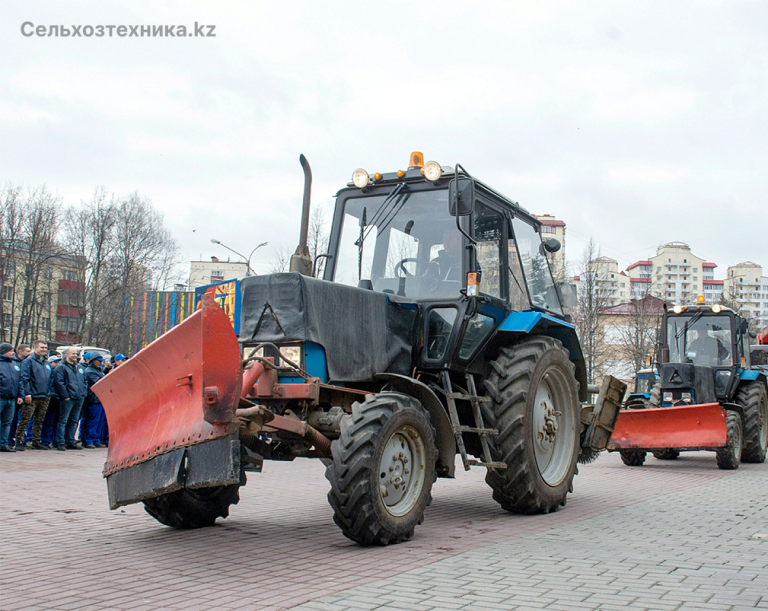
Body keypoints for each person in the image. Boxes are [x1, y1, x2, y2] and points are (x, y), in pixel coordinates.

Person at [17, 340, 52, 450]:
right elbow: (24, 378)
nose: (44, 350)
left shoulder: (46, 363)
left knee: (39, 420)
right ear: (35, 348)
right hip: (32, 395)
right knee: (25, 419)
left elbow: (50, 378)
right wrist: (27, 393)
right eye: (41, 347)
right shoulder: (28, 362)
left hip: (44, 395)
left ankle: (36, 441)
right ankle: (19, 440)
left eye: (45, 348)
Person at [52, 347, 87, 451]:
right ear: (66, 354)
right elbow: (59, 383)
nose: (75, 355)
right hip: (68, 398)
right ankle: (60, 442)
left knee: (74, 420)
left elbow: (84, 381)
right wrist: (65, 396)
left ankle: (70, 440)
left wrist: (83, 393)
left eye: (76, 354)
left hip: (79, 397)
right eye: (72, 353)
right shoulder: (61, 368)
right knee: (63, 420)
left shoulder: (79, 367)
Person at [0, 343, 25, 452]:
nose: (13, 352)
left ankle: (3, 443)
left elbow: (19, 381)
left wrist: (20, 395)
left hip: (11, 398)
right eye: (10, 351)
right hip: (1, 397)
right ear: (4, 351)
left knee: (7, 422)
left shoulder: (14, 364)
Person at [79, 353, 106, 448]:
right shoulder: (90, 371)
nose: (100, 363)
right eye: (99, 361)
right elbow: (100, 383)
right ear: (93, 361)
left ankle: (95, 439)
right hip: (92, 399)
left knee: (98, 421)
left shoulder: (99, 371)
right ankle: (88, 440)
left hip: (98, 399)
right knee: (92, 420)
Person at [40, 356, 61, 448]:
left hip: (58, 399)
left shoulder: (57, 372)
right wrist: (52, 395)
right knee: (47, 421)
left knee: (56, 421)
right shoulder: (49, 372)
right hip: (50, 398)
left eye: (58, 362)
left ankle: (53, 440)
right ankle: (45, 440)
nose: (57, 364)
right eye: (55, 362)